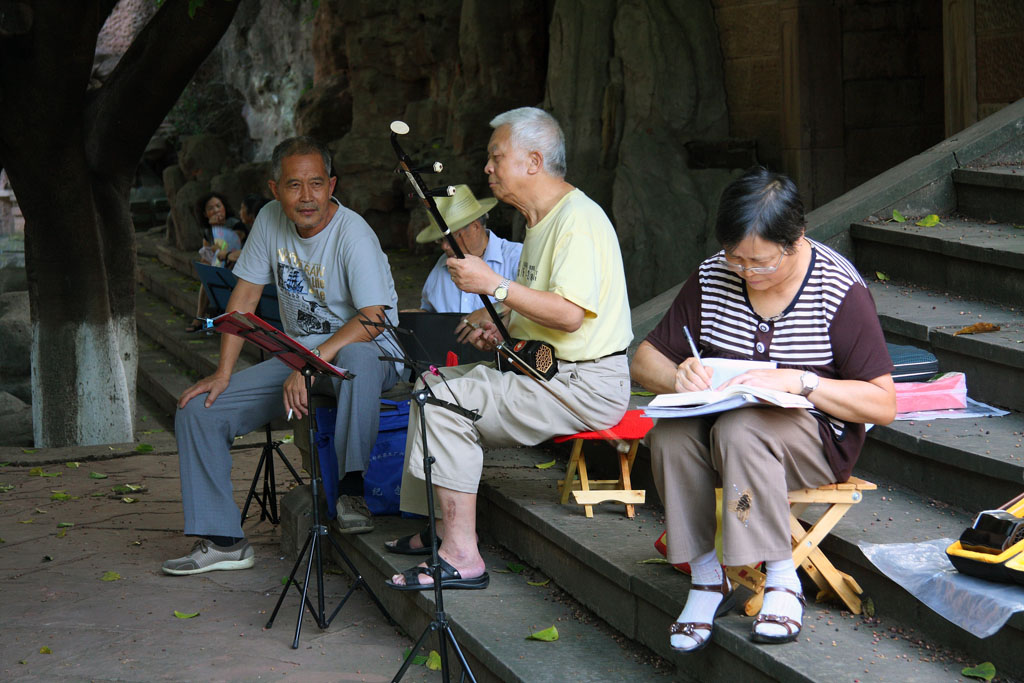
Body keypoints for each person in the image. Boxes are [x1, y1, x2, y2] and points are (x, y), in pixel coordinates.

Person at [630, 167, 896, 651]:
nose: (747, 273)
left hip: (814, 439)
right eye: (737, 259)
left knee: (742, 429)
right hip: (720, 427)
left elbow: (883, 403)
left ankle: (780, 578)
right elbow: (644, 358)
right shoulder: (715, 274)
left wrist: (803, 382)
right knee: (669, 432)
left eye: (761, 262)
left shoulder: (837, 289)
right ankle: (708, 579)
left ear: (796, 241)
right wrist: (676, 376)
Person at [385, 107, 633, 590]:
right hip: (550, 373)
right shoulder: (540, 222)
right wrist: (502, 325)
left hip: (586, 385)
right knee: (430, 382)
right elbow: (546, 311)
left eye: (497, 157)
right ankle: (437, 526)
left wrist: (494, 286)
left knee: (444, 402)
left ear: (533, 162)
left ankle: (462, 556)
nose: (488, 169)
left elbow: (569, 314)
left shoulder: (577, 221)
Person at [163, 136, 402, 576]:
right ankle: (224, 540)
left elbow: (373, 319)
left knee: (361, 358)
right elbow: (243, 300)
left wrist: (309, 365)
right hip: (302, 356)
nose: (306, 197)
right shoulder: (270, 220)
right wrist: (222, 372)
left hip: (370, 349)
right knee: (198, 410)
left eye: (316, 184)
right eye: (294, 185)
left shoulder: (354, 234)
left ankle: (350, 492)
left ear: (332, 185)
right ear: (275, 190)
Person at [414, 184, 522, 314]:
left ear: (475, 227)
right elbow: (430, 310)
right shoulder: (443, 264)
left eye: (451, 238)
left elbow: (536, 306)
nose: (444, 246)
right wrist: (417, 316)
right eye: (440, 240)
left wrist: (495, 311)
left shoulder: (516, 257)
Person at [186, 192, 245, 332]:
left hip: (238, 266)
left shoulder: (236, 225)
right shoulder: (207, 230)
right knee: (207, 279)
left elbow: (228, 249)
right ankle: (200, 317)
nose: (216, 210)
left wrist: (217, 231)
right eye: (211, 208)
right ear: (205, 214)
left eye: (219, 206)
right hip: (220, 268)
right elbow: (206, 256)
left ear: (225, 207)